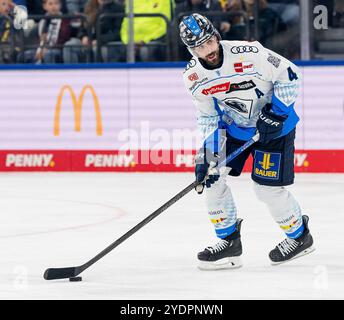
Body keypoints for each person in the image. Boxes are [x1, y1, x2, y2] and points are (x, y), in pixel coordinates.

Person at [180, 13, 315, 270]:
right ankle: (229, 242)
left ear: (216, 36)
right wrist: (209, 151)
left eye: (209, 41)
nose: (207, 49)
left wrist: (276, 112)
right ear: (191, 50)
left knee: (265, 188)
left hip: (275, 129)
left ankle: (300, 237)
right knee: (212, 176)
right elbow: (208, 116)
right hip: (236, 129)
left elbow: (290, 75)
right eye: (198, 46)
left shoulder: (249, 53)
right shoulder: (193, 77)